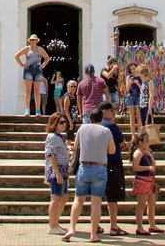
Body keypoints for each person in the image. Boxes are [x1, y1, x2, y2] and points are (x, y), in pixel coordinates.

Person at [63, 108, 115, 243]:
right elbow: (112, 150)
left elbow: (76, 146)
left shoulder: (82, 129)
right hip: (99, 167)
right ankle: (93, 234)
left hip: (84, 166)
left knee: (78, 200)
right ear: (101, 117)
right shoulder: (106, 131)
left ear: (90, 117)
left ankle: (71, 228)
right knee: (96, 203)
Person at [99, 101, 130, 237]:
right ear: (105, 112)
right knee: (112, 196)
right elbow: (123, 144)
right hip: (112, 164)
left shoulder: (95, 126)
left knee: (97, 196)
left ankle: (96, 224)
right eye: (112, 111)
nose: (114, 113)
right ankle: (113, 226)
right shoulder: (111, 126)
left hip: (99, 164)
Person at [45, 113, 71, 235]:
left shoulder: (60, 136)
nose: (63, 124)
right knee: (56, 198)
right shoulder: (52, 137)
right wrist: (57, 172)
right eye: (61, 122)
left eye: (64, 122)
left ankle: (56, 222)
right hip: (57, 170)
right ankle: (52, 225)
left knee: (64, 197)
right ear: (54, 124)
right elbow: (50, 154)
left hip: (64, 170)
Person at [130, 132, 160, 236]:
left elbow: (154, 166)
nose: (148, 143)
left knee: (152, 203)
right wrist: (147, 168)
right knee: (141, 204)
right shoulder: (138, 153)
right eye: (146, 142)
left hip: (149, 180)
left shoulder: (145, 152)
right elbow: (135, 167)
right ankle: (140, 227)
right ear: (141, 143)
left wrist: (151, 156)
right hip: (142, 180)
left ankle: (152, 224)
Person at [14, 34, 50, 116]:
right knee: (28, 90)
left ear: (37, 41)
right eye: (31, 40)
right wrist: (22, 64)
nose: (32, 41)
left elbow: (47, 58)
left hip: (37, 69)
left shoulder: (40, 49)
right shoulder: (27, 49)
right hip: (28, 69)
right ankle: (27, 109)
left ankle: (38, 110)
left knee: (37, 91)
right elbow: (16, 56)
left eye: (34, 40)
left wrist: (43, 65)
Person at [125, 62, 141, 135]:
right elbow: (127, 90)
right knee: (132, 117)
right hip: (130, 96)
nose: (133, 70)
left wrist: (137, 83)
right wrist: (130, 83)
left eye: (134, 68)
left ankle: (140, 133)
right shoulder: (128, 77)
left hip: (138, 96)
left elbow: (143, 89)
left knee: (138, 115)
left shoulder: (140, 76)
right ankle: (133, 135)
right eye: (131, 69)